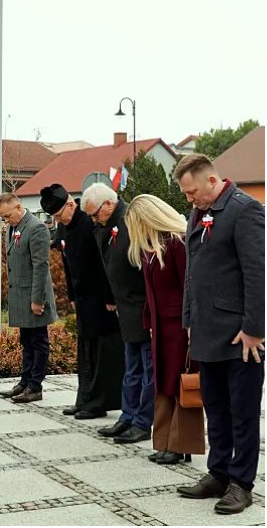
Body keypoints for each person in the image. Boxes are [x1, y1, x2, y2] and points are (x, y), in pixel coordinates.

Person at [172, 154, 264, 515]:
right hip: (207, 332)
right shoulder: (198, 212)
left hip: (240, 337)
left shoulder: (245, 211)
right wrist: (189, 320)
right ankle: (219, 473)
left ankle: (242, 483)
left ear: (212, 181)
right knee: (216, 409)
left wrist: (254, 329)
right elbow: (193, 273)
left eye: (193, 191)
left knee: (242, 413)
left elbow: (257, 274)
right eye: (186, 194)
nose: (189, 200)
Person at [124, 194, 206, 465]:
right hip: (160, 326)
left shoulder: (178, 243)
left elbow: (190, 288)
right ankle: (167, 441)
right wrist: (149, 322)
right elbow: (151, 291)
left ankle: (181, 444)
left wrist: (191, 325)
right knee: (164, 383)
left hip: (179, 327)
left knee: (180, 382)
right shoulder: (153, 246)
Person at [41, 185, 123, 418]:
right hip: (84, 298)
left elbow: (103, 262)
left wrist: (110, 297)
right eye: (55, 218)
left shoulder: (89, 222)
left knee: (101, 351)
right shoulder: (64, 227)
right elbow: (67, 264)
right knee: (85, 350)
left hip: (101, 298)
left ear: (70, 204)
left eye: (59, 215)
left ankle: (98, 402)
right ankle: (84, 397)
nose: (59, 220)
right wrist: (73, 297)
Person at [82, 183, 154, 445]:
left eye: (95, 214)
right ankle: (128, 415)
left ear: (109, 205)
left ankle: (143, 421)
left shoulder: (131, 218)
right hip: (126, 307)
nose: (93, 220)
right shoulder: (106, 226)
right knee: (131, 367)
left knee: (148, 369)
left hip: (142, 306)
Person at [0, 194, 58, 403]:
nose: (5, 221)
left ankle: (35, 386)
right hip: (20, 295)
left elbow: (41, 266)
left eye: (6, 216)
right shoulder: (13, 228)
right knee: (26, 341)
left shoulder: (36, 228)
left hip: (34, 296)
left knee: (39, 341)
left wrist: (37, 300)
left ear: (18, 207)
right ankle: (25, 381)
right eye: (2, 218)